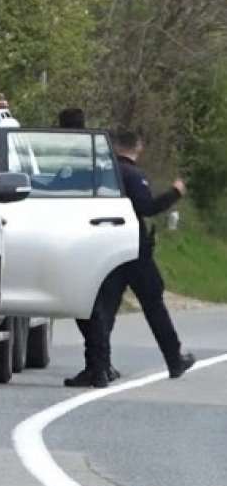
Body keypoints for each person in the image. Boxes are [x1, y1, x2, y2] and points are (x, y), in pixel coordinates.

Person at [68, 129, 195, 387]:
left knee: (103, 309)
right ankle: (174, 359)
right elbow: (147, 207)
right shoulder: (132, 175)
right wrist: (175, 192)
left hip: (105, 249)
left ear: (113, 147)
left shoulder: (100, 173)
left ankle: (97, 368)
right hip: (134, 251)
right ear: (137, 147)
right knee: (153, 305)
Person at [57, 108, 122, 385]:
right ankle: (102, 365)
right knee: (99, 305)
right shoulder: (102, 153)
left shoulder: (76, 156)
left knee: (89, 306)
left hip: (82, 237)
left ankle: (98, 368)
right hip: (109, 236)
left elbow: (59, 188)